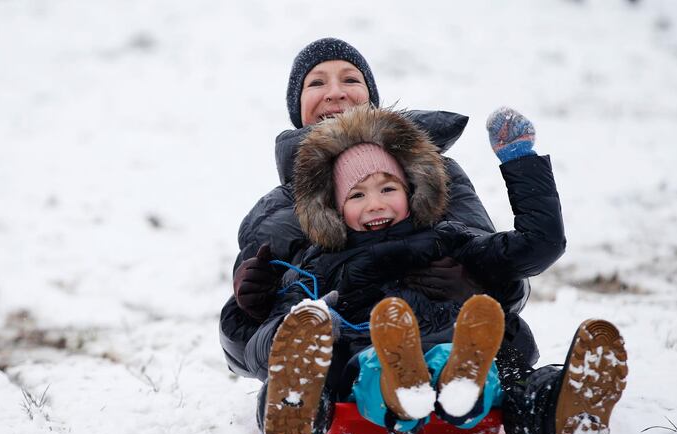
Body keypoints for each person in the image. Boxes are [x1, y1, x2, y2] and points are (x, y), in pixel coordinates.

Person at [252, 104, 628, 434]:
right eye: (357, 195)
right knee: (358, 369)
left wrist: (520, 160)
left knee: (516, 388)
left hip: (463, 349)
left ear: (412, 189)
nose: (376, 203)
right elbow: (287, 324)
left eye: (387, 187)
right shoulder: (326, 262)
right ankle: (308, 407)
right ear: (334, 208)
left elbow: (536, 246)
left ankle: (564, 411)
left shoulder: (449, 239)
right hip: (373, 354)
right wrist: (320, 319)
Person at [219, 37, 541, 389]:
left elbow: (505, 267)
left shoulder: (435, 175)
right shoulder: (275, 212)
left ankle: (539, 405)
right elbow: (241, 348)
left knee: (508, 349)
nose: (336, 93)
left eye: (350, 80)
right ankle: (311, 406)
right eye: (316, 83)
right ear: (296, 109)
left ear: (372, 98)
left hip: (449, 336)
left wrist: (477, 286)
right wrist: (253, 304)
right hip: (345, 358)